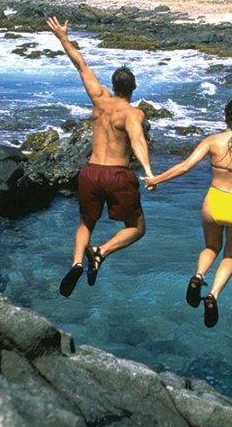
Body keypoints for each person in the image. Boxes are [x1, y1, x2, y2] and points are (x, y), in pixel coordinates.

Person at [144, 78, 232, 328]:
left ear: (226, 119)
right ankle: (213, 295)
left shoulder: (212, 141)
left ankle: (198, 275)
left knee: (211, 247)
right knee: (231, 255)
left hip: (214, 201)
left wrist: (157, 179)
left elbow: (185, 166)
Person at [46, 16, 154, 297]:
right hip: (117, 175)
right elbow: (138, 141)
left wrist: (63, 37)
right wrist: (149, 171)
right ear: (133, 89)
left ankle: (77, 262)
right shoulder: (133, 113)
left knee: (85, 223)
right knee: (137, 228)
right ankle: (100, 251)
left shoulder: (99, 99)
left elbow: (81, 65)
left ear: (113, 86)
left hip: (91, 172)